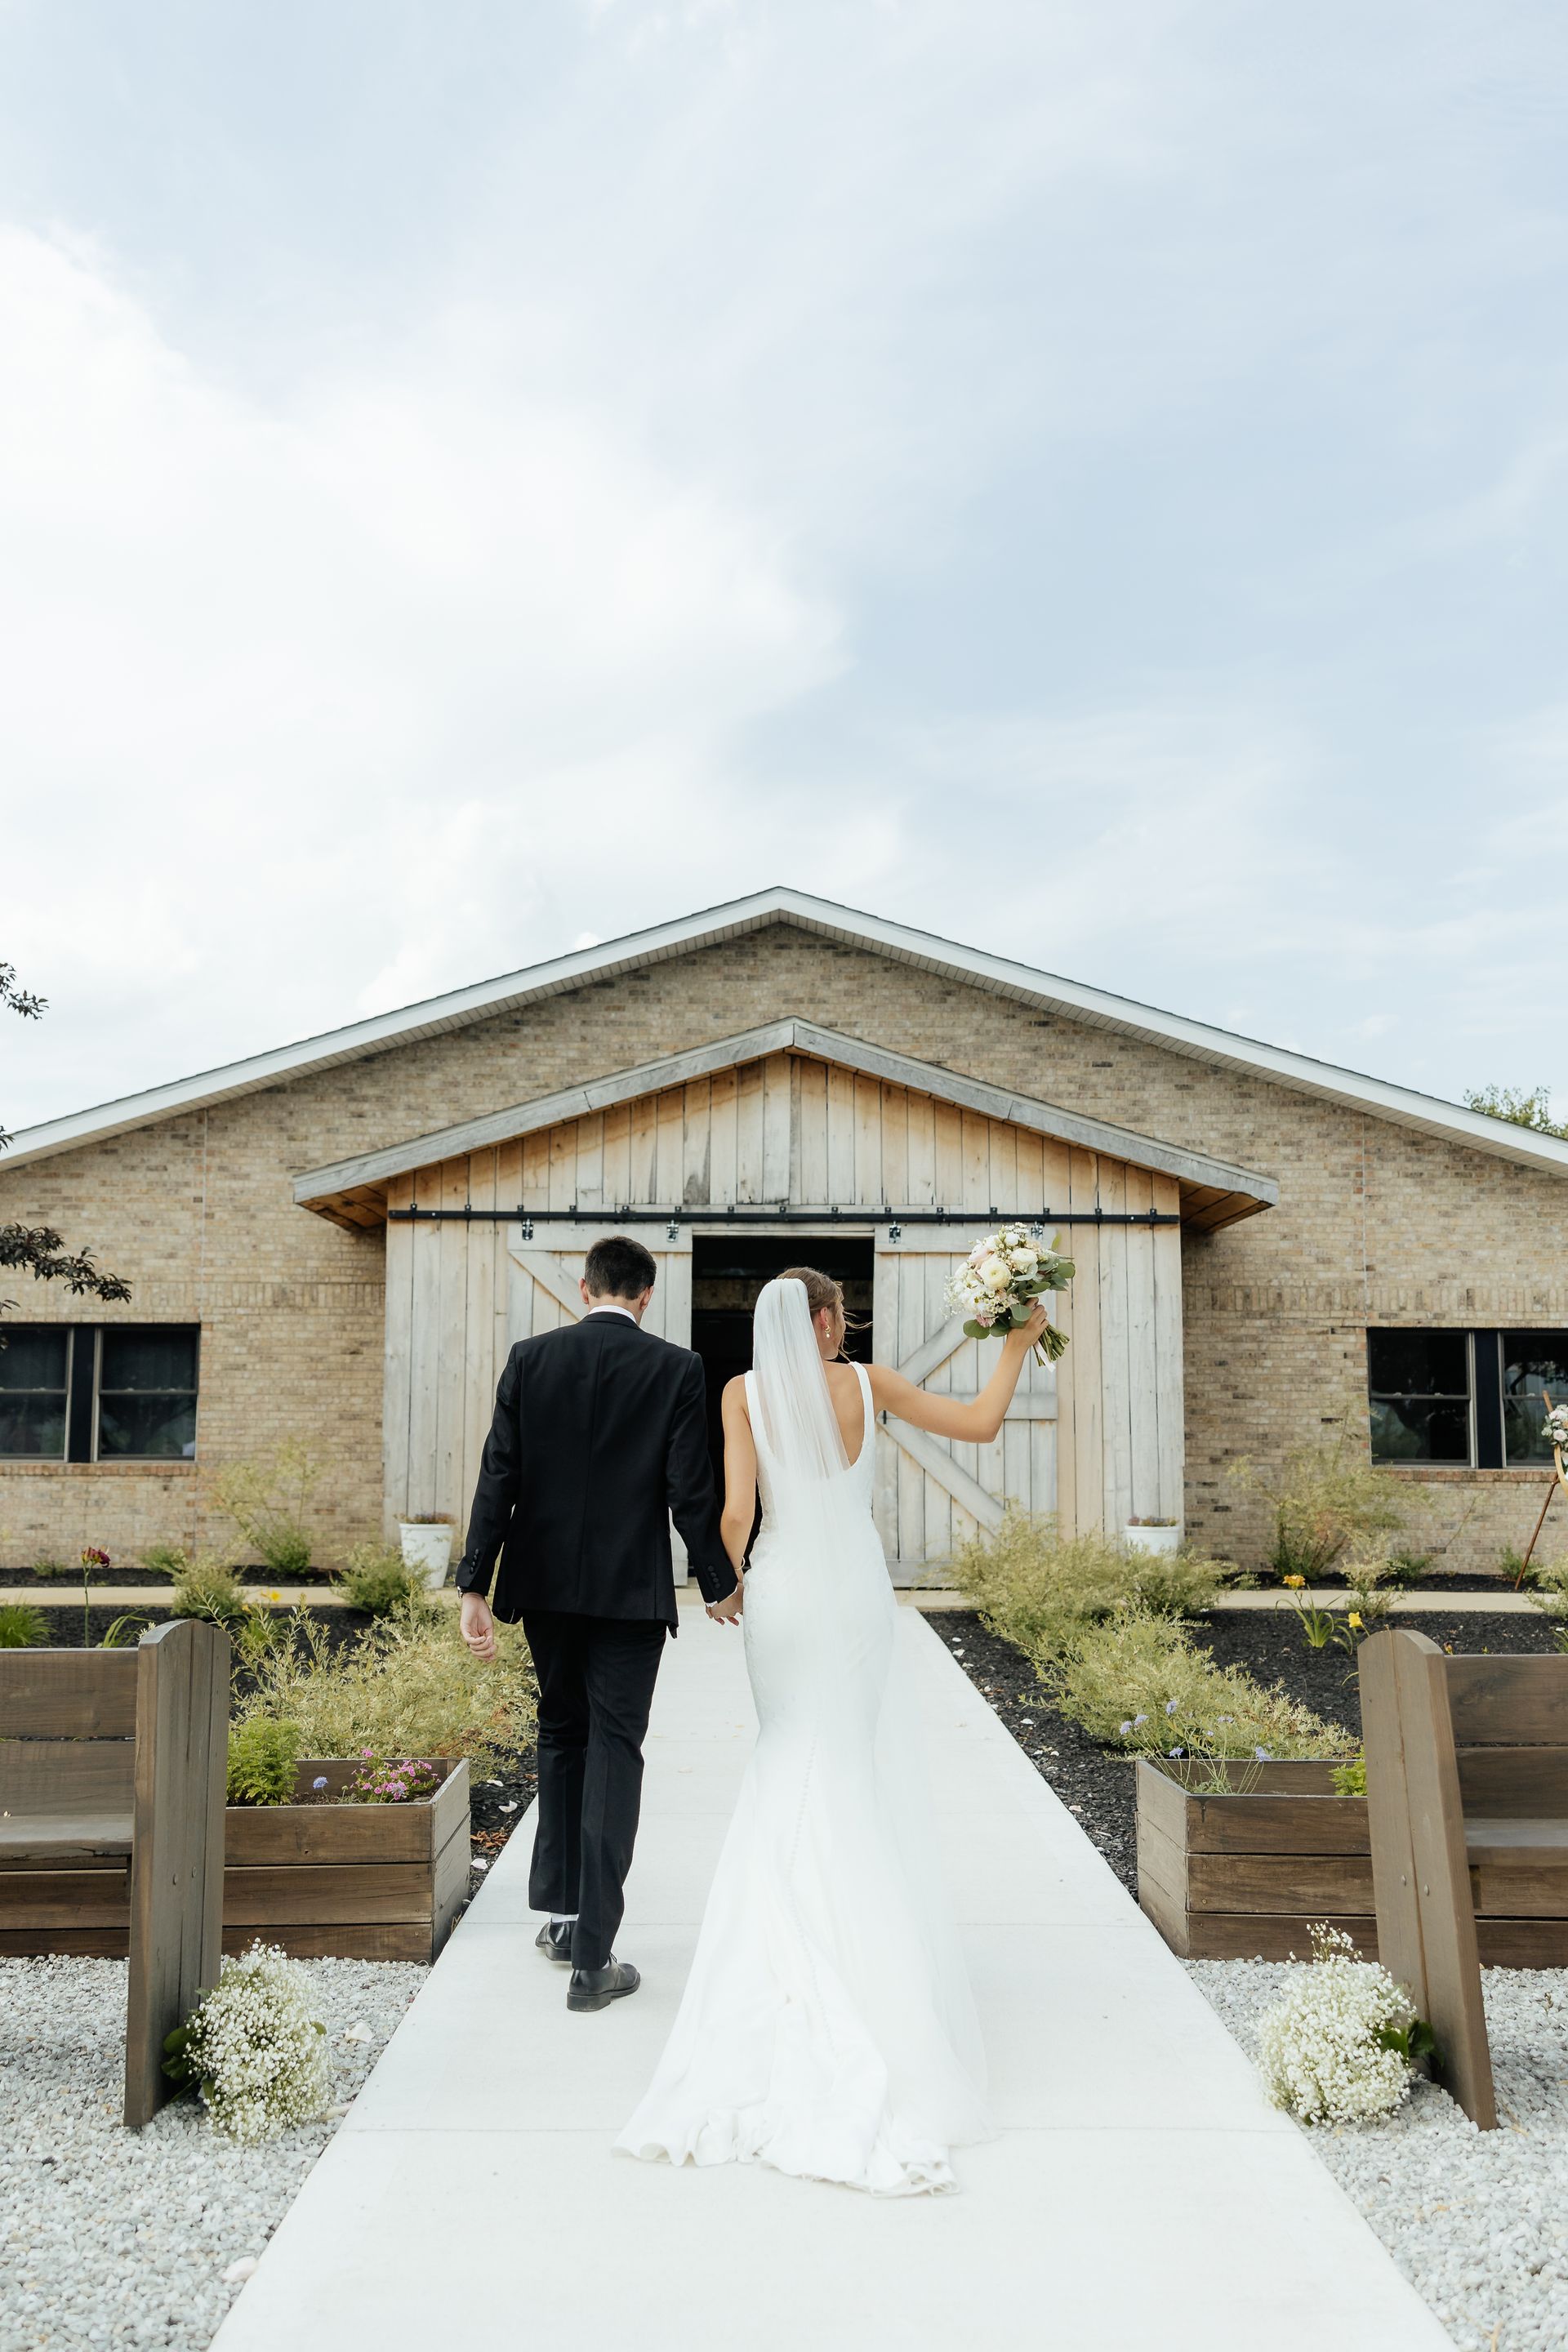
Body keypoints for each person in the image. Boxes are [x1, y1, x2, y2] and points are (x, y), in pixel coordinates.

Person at [617, 1265, 1049, 2195]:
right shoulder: (867, 1384)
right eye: (841, 1314)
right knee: (841, 1764)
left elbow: (735, 1513)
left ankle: (791, 1941)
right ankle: (866, 1962)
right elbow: (977, 1424)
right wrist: (1017, 1347)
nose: (846, 1326)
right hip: (854, 1594)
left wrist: (722, 1583)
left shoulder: (740, 1394)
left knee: (787, 1758)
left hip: (782, 1596)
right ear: (818, 1323)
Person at [456, 1234, 737, 2015]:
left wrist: (473, 1584)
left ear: (585, 1288)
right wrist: (717, 1581)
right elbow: (690, 1489)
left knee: (561, 1733)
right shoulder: (676, 1368)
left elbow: (497, 1475)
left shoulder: (529, 1358)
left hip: (543, 1589)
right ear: (646, 1294)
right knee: (615, 1746)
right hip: (627, 1595)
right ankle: (593, 1956)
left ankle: (565, 1919)